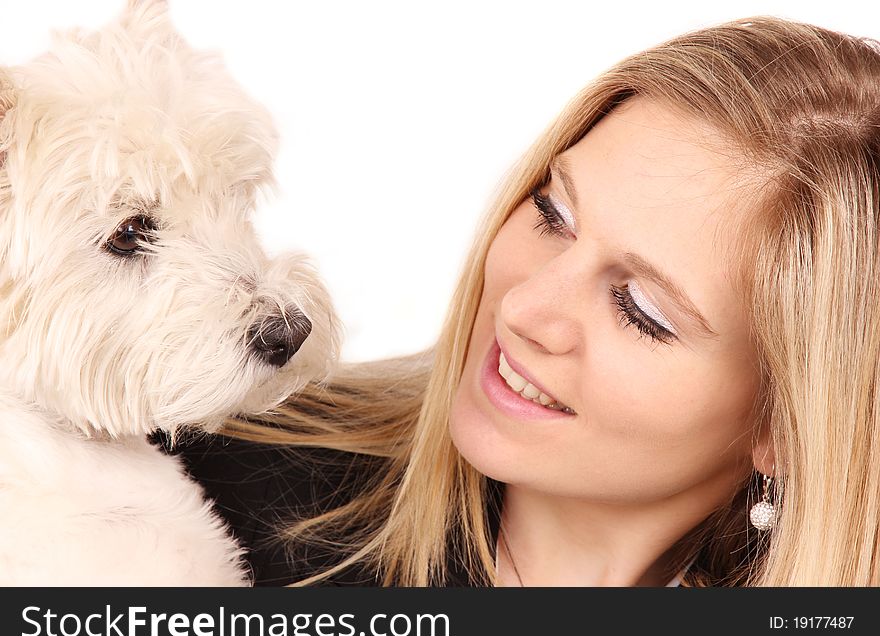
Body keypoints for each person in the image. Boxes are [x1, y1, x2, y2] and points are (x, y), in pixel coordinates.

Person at [174, 15, 880, 586]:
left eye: (641, 309)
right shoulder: (188, 500)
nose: (523, 309)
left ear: (786, 425)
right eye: (551, 214)